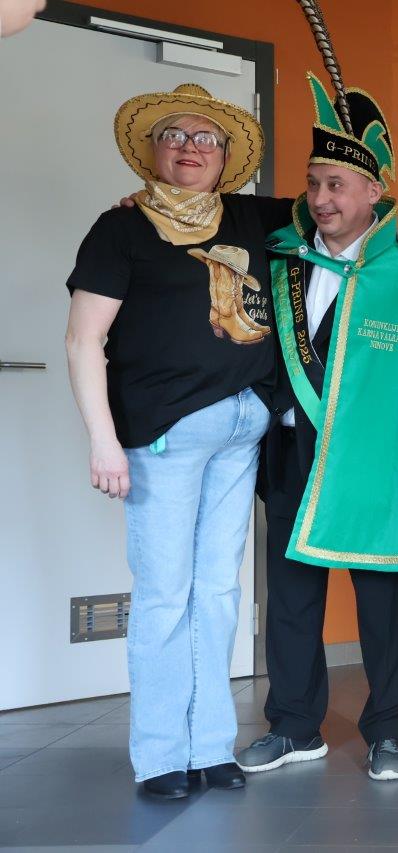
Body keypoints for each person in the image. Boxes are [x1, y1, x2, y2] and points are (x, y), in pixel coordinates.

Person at [66, 83, 287, 799]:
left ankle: (210, 746)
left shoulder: (253, 216)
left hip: (241, 429)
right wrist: (103, 442)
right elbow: (83, 341)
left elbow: (341, 211)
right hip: (162, 433)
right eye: (175, 136)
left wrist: (394, 233)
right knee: (166, 594)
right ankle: (162, 756)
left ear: (225, 157)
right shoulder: (121, 228)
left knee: (218, 591)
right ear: (153, 152)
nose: (191, 148)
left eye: (206, 139)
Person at [235, 73, 398, 783]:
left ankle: (388, 732)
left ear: (373, 193)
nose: (322, 198)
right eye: (314, 183)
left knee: (381, 600)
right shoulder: (281, 257)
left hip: (372, 463)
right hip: (291, 452)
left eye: (337, 185)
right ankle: (294, 725)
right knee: (291, 597)